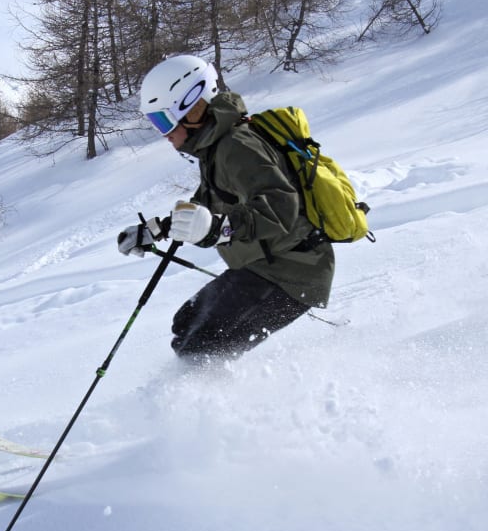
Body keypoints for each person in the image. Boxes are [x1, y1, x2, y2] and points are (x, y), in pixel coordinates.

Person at [118, 54, 334, 360]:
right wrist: (154, 231)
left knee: (201, 346)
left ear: (192, 107)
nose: (164, 134)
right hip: (265, 268)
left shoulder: (236, 146)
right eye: (156, 124)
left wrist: (220, 228)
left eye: (163, 121)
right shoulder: (215, 149)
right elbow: (202, 208)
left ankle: (215, 404)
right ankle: (209, 397)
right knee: (187, 325)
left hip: (293, 272)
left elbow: (281, 204)